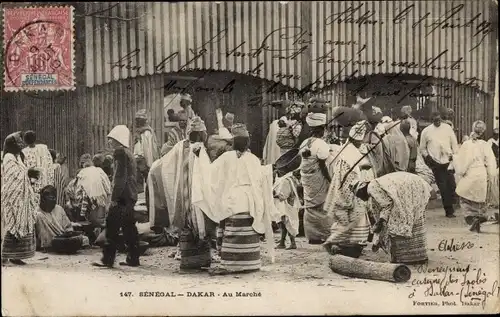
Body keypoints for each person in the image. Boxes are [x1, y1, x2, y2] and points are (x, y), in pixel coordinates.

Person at [209, 123, 275, 275]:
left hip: (231, 199)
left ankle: (231, 263)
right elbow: (260, 178)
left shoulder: (225, 157)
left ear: (233, 142)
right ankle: (249, 263)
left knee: (231, 229)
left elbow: (212, 175)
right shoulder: (252, 159)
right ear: (247, 142)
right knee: (248, 229)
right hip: (249, 200)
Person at [160, 117, 219, 267]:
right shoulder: (199, 148)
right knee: (201, 221)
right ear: (200, 134)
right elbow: (206, 174)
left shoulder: (180, 146)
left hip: (183, 192)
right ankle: (202, 253)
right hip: (196, 194)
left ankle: (183, 251)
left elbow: (164, 163)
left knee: (185, 222)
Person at [353, 172, 432, 264]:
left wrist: (382, 221)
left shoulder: (371, 188)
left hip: (412, 187)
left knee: (398, 222)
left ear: (362, 190)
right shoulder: (374, 185)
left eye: (359, 195)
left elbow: (387, 204)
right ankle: (418, 257)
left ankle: (406, 259)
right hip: (415, 185)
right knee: (411, 219)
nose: (362, 199)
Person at [322, 120, 372, 258]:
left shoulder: (348, 150)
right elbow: (348, 174)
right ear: (355, 140)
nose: (360, 144)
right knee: (351, 219)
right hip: (349, 190)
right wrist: (362, 168)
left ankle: (351, 245)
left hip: (350, 189)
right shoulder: (349, 153)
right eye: (359, 142)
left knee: (351, 220)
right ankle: (340, 245)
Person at [93, 125, 140, 267]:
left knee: (111, 227)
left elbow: (120, 178)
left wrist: (113, 199)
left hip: (121, 197)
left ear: (118, 139)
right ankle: (133, 258)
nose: (109, 142)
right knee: (129, 228)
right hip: (130, 196)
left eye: (111, 139)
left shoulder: (119, 153)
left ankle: (107, 260)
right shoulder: (129, 153)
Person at [1, 132, 39, 265]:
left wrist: (29, 173)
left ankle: (16, 256)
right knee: (11, 224)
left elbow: (22, 173)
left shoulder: (17, 157)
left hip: (22, 195)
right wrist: (26, 174)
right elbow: (12, 177)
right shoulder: (8, 158)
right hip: (13, 195)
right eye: (18, 143)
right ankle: (4, 256)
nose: (21, 146)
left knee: (22, 223)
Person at [453, 121, 497, 233]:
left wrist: (460, 172)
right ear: (483, 132)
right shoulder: (485, 145)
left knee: (464, 198)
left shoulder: (467, 144)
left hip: (470, 174)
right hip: (481, 174)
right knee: (479, 200)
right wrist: (490, 175)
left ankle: (472, 219)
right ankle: (479, 217)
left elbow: (463, 163)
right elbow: (491, 162)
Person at [299, 112, 335, 244]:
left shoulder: (305, 143)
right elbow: (323, 165)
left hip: (307, 179)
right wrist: (330, 180)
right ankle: (325, 234)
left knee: (310, 206)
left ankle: (312, 236)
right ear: (322, 130)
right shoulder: (321, 144)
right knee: (323, 205)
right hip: (318, 178)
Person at [420, 112, 459, 218]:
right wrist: (428, 158)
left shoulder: (447, 128)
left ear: (441, 119)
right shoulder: (426, 131)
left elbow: (454, 143)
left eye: (438, 120)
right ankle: (449, 210)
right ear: (431, 120)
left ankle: (452, 205)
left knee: (452, 185)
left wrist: (454, 156)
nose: (437, 122)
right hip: (435, 163)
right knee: (443, 187)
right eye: (434, 120)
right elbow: (422, 148)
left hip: (448, 161)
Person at [35, 185, 89, 252]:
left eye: (54, 198)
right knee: (39, 216)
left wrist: (70, 233)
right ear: (43, 199)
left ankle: (63, 244)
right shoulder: (37, 213)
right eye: (50, 198)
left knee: (85, 239)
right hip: (47, 242)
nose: (53, 200)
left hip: (62, 238)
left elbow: (68, 227)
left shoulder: (59, 209)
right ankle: (52, 245)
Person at [72, 154, 111, 232]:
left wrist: (79, 203)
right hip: (101, 200)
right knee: (101, 221)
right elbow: (108, 187)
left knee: (91, 221)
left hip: (88, 202)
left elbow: (77, 191)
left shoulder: (82, 172)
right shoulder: (99, 170)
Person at [273, 169, 301, 250]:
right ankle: (282, 242)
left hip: (287, 205)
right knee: (284, 224)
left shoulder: (286, 181)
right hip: (289, 205)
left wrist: (275, 195)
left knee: (288, 223)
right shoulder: (291, 179)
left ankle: (292, 243)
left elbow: (284, 196)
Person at [133, 109, 160, 193]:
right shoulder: (138, 132)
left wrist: (150, 163)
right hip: (139, 158)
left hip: (145, 159)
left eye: (140, 120)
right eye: (137, 120)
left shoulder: (146, 132)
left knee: (148, 179)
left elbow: (148, 149)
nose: (138, 122)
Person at [22, 130, 54, 199]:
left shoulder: (25, 152)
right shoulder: (43, 148)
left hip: (35, 181)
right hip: (40, 180)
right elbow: (49, 164)